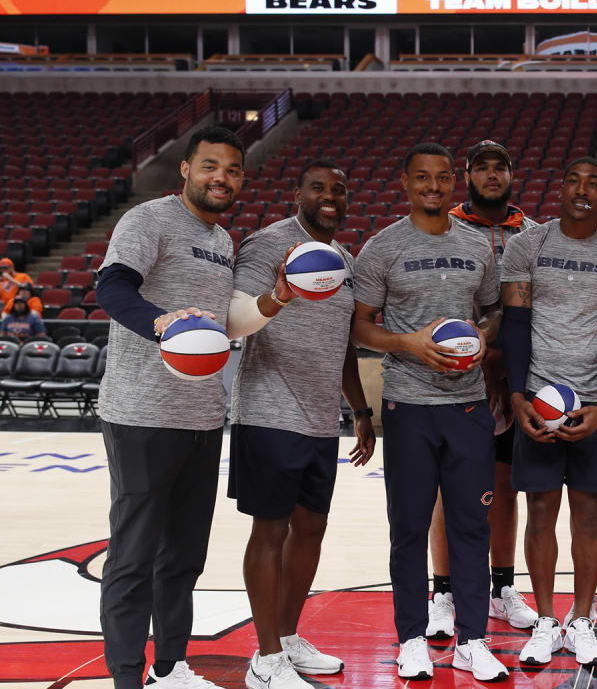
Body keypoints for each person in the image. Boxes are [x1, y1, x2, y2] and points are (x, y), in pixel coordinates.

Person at [350, 142, 509, 682]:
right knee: (409, 529)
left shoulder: (477, 246)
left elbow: (492, 311)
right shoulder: (382, 247)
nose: (434, 187)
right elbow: (360, 326)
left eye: (442, 177)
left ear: (454, 181)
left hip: (467, 406)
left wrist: (482, 340)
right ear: (406, 182)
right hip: (409, 405)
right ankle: (412, 638)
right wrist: (409, 344)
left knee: (471, 526)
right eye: (423, 178)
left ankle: (472, 640)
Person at [94, 126, 244, 689]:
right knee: (134, 555)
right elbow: (111, 288)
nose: (220, 178)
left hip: (203, 416)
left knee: (183, 555)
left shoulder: (224, 240)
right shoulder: (148, 220)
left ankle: (173, 665)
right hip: (141, 413)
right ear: (185, 170)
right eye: (209, 166)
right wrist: (159, 322)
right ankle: (128, 676)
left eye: (231, 170)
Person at [226, 159, 377, 689]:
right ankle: (264, 659)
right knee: (270, 529)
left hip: (319, 419)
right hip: (268, 411)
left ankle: (287, 639)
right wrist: (278, 295)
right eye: (318, 188)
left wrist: (359, 410)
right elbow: (236, 316)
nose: (329, 196)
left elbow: (343, 348)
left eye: (339, 188)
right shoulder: (267, 246)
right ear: (298, 193)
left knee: (311, 527)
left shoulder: (347, 261)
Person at [502, 156, 597, 668]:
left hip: (590, 404)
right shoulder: (526, 245)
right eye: (573, 180)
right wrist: (518, 395)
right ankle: (544, 619)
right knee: (540, 510)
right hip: (538, 401)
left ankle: (580, 620)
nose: (582, 190)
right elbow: (516, 322)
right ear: (559, 187)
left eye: (594, 184)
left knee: (588, 513)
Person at [425, 140, 540, 638]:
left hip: (513, 380)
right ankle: (444, 591)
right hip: (452, 378)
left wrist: (505, 368)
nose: (492, 176)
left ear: (513, 175)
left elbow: (532, 310)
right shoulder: (443, 229)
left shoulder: (533, 235)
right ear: (467, 175)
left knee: (506, 486)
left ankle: (501, 589)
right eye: (482, 168)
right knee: (448, 491)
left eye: (501, 166)